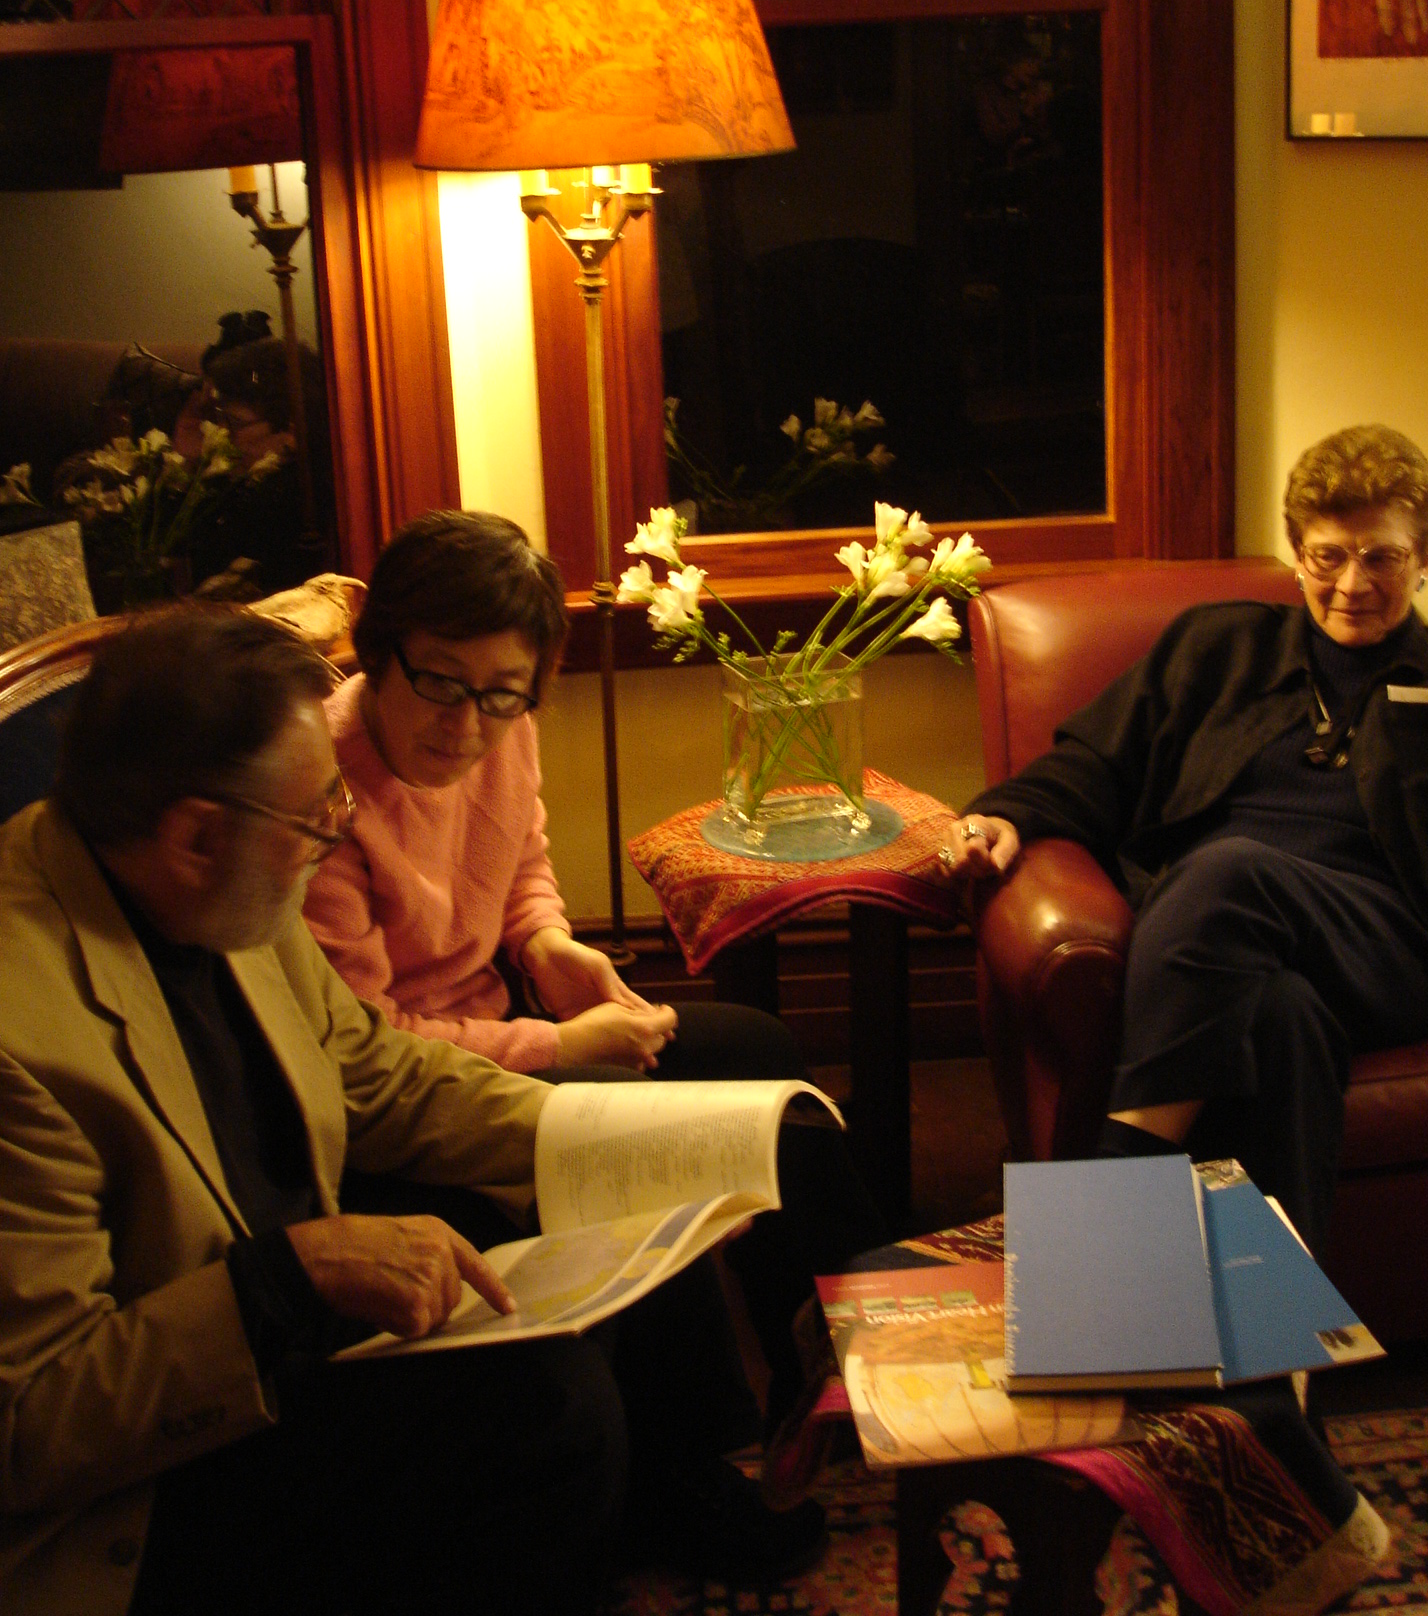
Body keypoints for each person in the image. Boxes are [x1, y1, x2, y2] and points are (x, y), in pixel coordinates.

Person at [0, 608, 824, 1616]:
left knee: (590, 1222)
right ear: (196, 834)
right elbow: (32, 1422)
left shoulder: (213, 884)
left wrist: (636, 1139)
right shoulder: (18, 1035)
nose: (340, 828)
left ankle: (646, 1506)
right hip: (147, 1478)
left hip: (283, 1317)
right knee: (548, 1406)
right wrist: (283, 1282)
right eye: (316, 816)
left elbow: (372, 1070)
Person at [302, 509, 886, 1453]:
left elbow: (521, 863)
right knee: (639, 1131)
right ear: (381, 651)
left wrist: (547, 947)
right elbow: (365, 1045)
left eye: (503, 696)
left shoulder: (502, 722)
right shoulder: (320, 788)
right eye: (438, 682)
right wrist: (560, 1046)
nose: (466, 725)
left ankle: (842, 1368)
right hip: (410, 1095)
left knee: (763, 1059)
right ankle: (702, 1460)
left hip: (505, 1016)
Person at [943, 424, 1428, 1252]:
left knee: (1228, 872)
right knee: (1282, 1020)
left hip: (1392, 947)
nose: (1353, 584)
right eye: (1329, 556)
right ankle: (1270, 1368)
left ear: (1427, 555)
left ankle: (1116, 1188)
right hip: (1219, 944)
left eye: (1383, 557)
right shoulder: (1217, 645)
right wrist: (1008, 814)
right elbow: (1097, 766)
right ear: (1297, 554)